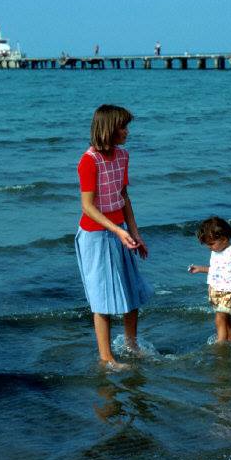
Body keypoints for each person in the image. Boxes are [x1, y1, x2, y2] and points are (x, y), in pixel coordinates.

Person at [75, 105, 153, 370]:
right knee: (102, 299)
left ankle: (132, 346)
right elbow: (88, 207)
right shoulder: (88, 160)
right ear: (109, 128)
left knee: (132, 292)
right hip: (96, 236)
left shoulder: (123, 156)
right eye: (123, 127)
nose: (127, 132)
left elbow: (123, 196)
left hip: (120, 230)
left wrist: (134, 232)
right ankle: (107, 358)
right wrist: (118, 231)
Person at [189, 217, 231, 344]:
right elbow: (217, 270)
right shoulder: (216, 251)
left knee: (219, 318)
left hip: (229, 292)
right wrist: (200, 269)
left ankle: (220, 345)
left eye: (211, 244)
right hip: (216, 290)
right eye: (207, 244)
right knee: (227, 319)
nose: (209, 247)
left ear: (223, 238)